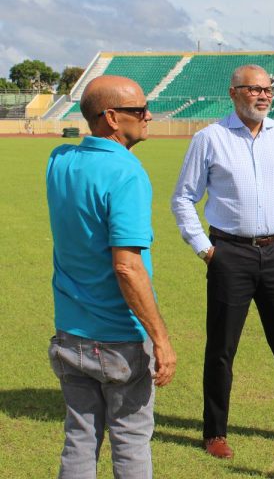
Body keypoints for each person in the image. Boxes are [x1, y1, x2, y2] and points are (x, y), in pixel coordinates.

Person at [170, 64, 274, 459]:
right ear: (233, 93)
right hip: (229, 254)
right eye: (253, 89)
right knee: (222, 348)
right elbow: (183, 198)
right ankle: (215, 432)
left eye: (267, 90)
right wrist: (204, 249)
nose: (263, 95)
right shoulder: (210, 139)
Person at [46, 75, 176, 478]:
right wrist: (161, 338)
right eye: (139, 110)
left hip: (70, 332)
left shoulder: (59, 161)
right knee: (131, 439)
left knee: (80, 439)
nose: (148, 116)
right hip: (120, 337)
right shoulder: (127, 174)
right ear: (112, 118)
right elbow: (127, 266)